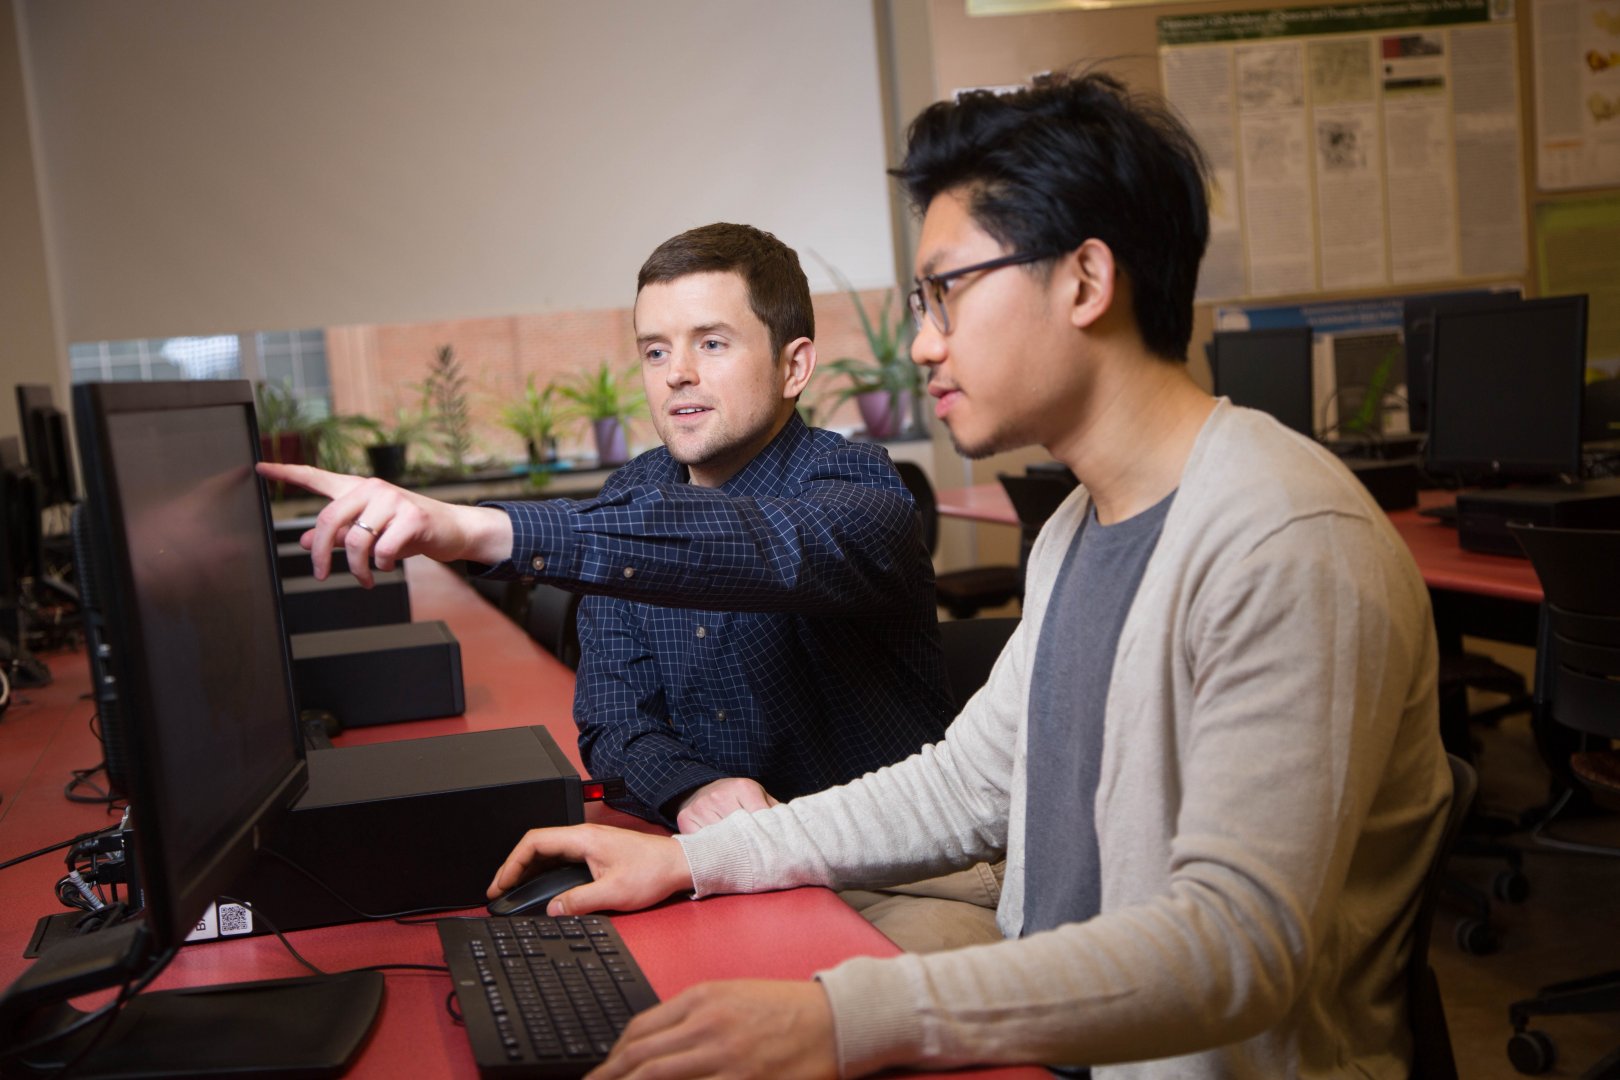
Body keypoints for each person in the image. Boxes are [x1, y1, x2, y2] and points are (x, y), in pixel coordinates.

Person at [486, 71, 1452, 1079]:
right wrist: (689, 858)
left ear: (1083, 280)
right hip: (1057, 1034)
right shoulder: (1080, 525)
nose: (924, 341)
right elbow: (967, 786)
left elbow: (1233, 950)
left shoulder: (1286, 538)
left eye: (948, 292)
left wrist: (847, 1016)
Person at [257, 223, 956, 837]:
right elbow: (614, 722)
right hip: (716, 866)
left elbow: (761, 544)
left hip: (885, 877)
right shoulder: (631, 493)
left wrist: (476, 530)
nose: (677, 375)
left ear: (793, 365)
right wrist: (692, 789)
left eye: (711, 344)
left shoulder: (860, 484)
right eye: (655, 351)